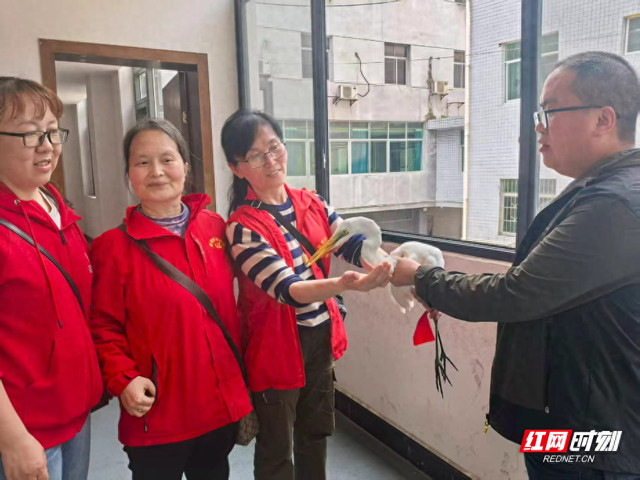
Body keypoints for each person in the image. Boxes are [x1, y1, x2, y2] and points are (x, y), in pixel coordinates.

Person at [392, 51, 640, 479]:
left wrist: (422, 278)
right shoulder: (604, 189)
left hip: (591, 436)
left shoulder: (614, 203)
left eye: (550, 112)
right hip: (574, 409)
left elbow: (516, 293)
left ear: (603, 119)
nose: (538, 127)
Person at [221, 109, 392, 480]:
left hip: (319, 338)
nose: (271, 161)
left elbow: (351, 244)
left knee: (315, 433)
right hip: (274, 347)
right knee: (276, 447)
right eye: (255, 156)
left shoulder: (312, 203)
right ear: (237, 167)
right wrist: (345, 284)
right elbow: (288, 289)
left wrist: (394, 267)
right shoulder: (242, 228)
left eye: (275, 147)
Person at [89, 119, 251, 480]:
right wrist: (123, 379)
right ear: (129, 174)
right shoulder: (112, 248)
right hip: (157, 414)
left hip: (219, 408)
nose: (157, 171)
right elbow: (102, 326)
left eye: (167, 159)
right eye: (142, 162)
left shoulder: (216, 228)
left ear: (185, 167)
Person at [0, 77, 103, 480]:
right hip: (24, 427)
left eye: (52, 131)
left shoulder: (58, 207)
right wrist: (13, 440)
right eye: (30, 135)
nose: (47, 146)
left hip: (75, 411)